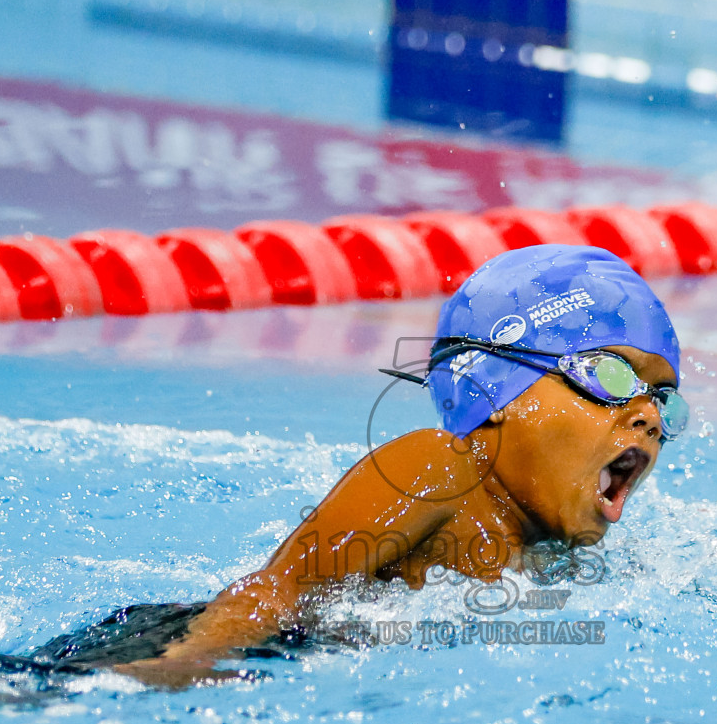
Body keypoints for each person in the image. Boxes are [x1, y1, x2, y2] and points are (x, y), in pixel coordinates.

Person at [116, 243, 688, 688]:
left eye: (662, 399)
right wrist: (193, 660)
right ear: (492, 390)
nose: (649, 418)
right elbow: (280, 591)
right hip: (183, 647)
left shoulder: (560, 558)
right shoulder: (438, 467)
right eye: (610, 377)